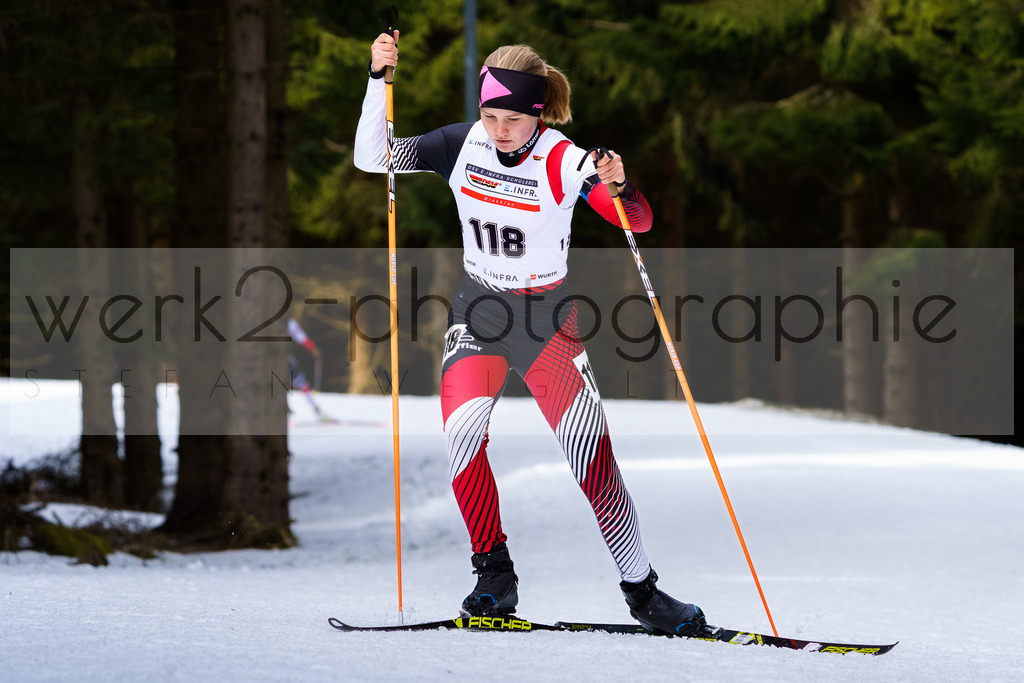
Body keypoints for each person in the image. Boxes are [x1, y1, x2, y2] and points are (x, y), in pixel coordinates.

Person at [354, 30, 706, 636]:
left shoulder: (565, 158)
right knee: (462, 436)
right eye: (490, 116)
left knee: (591, 458)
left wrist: (619, 187)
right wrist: (377, 80)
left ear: (537, 114)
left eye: (512, 119)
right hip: (479, 313)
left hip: (547, 324)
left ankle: (644, 592)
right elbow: (373, 157)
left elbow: (638, 222)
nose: (499, 131)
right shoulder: (461, 144)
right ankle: (493, 576)